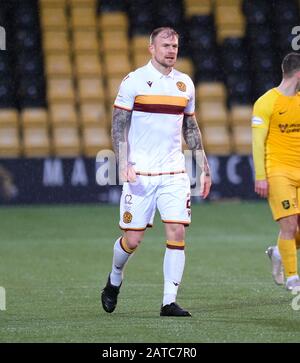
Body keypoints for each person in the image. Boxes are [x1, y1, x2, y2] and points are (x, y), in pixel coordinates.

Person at [101, 27, 212, 316]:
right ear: (151, 48)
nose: (171, 50)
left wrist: (203, 165)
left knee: (177, 231)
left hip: (174, 173)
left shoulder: (185, 84)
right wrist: (123, 162)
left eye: (175, 45)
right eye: (165, 45)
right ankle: (114, 278)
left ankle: (168, 301)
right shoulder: (134, 81)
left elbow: (190, 126)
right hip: (140, 174)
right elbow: (118, 125)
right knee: (132, 240)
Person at [252, 52, 300, 291]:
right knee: (289, 225)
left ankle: (279, 253)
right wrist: (261, 176)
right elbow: (257, 142)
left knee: (294, 231)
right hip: (278, 170)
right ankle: (293, 279)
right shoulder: (266, 101)